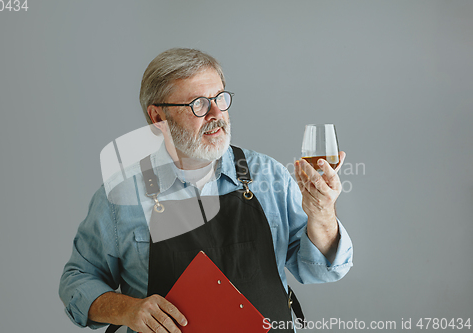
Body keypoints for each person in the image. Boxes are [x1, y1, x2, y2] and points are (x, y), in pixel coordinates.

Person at [59, 48, 353, 333]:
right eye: (198, 103)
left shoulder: (269, 174)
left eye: (220, 98)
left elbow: (321, 269)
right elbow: (77, 281)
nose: (216, 113)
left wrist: (322, 214)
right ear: (158, 117)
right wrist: (128, 309)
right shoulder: (121, 197)